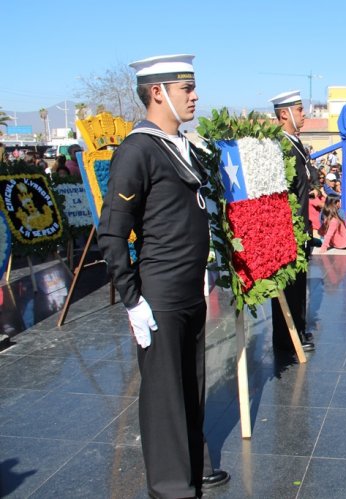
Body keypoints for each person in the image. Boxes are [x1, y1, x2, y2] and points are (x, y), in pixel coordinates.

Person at [97, 54, 229, 498]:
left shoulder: (180, 145)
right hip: (159, 292)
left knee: (190, 385)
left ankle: (194, 465)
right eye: (184, 88)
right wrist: (132, 298)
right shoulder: (138, 149)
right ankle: (172, 487)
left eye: (193, 87)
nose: (195, 96)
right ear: (157, 93)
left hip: (190, 286)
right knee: (164, 394)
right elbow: (113, 232)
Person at [268, 89, 316, 352]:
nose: (304, 113)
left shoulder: (294, 143)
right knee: (289, 285)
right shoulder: (281, 146)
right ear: (284, 114)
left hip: (300, 226)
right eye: (299, 109)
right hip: (288, 229)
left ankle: (297, 329)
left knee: (298, 284)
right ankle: (288, 337)